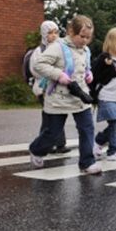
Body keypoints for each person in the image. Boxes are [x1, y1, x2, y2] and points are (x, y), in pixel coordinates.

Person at [29, 15, 100, 174]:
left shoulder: (85, 50)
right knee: (53, 133)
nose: (84, 41)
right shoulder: (58, 46)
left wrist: (89, 74)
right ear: (70, 32)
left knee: (87, 128)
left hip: (80, 95)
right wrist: (58, 74)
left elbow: (83, 67)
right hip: (58, 97)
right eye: (81, 36)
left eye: (88, 37)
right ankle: (36, 150)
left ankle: (87, 162)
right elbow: (39, 65)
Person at [29, 20, 70, 154]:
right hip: (44, 89)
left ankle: (60, 143)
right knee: (48, 117)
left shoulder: (61, 48)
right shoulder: (39, 51)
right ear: (44, 34)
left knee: (59, 115)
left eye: (56, 32)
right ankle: (45, 144)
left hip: (58, 88)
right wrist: (51, 72)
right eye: (50, 33)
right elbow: (35, 69)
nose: (53, 36)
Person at [91, 28, 116, 161]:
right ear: (111, 42)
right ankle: (114, 151)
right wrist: (108, 67)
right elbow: (95, 76)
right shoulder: (104, 58)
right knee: (115, 123)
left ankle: (99, 141)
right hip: (106, 96)